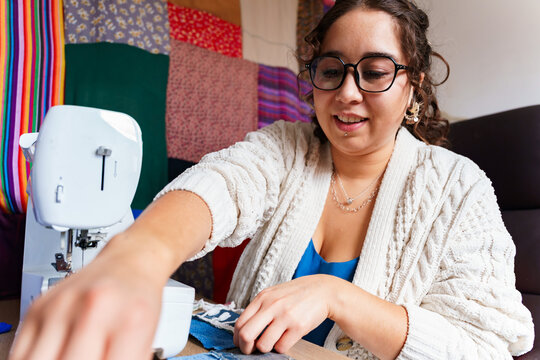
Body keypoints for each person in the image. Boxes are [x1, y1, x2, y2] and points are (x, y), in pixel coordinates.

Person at [9, 0, 534, 359]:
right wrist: (132, 261)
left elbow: (485, 348)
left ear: (412, 86)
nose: (348, 93)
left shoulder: (460, 188)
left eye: (374, 72)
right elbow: (220, 185)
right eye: (332, 70)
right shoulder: (286, 149)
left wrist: (336, 296)